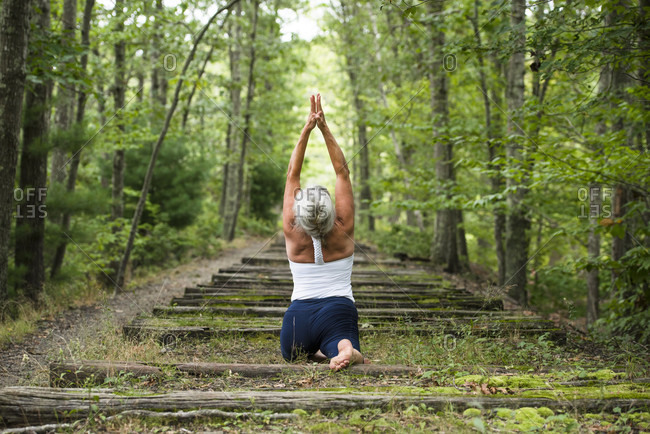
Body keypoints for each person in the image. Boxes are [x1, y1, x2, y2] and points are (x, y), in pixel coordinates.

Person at [280, 94, 368, 371]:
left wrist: (306, 129)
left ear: (299, 211)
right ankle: (344, 348)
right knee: (342, 338)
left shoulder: (293, 231)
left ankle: (318, 349)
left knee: (292, 354)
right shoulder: (343, 228)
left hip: (299, 319)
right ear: (331, 210)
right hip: (338, 309)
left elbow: (292, 173)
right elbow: (342, 172)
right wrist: (324, 128)